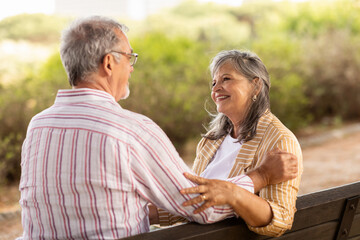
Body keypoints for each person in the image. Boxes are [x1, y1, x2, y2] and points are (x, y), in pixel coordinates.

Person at [18, 16, 297, 239]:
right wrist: (259, 177)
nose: (132, 67)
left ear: (256, 85)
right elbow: (198, 207)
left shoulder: (38, 126)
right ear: (108, 63)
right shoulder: (132, 130)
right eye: (129, 58)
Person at [179, 50, 303, 237]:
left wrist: (233, 193)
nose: (216, 88)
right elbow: (194, 199)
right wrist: (150, 213)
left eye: (226, 79)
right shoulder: (210, 141)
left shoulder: (279, 141)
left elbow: (281, 218)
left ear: (255, 86)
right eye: (214, 82)